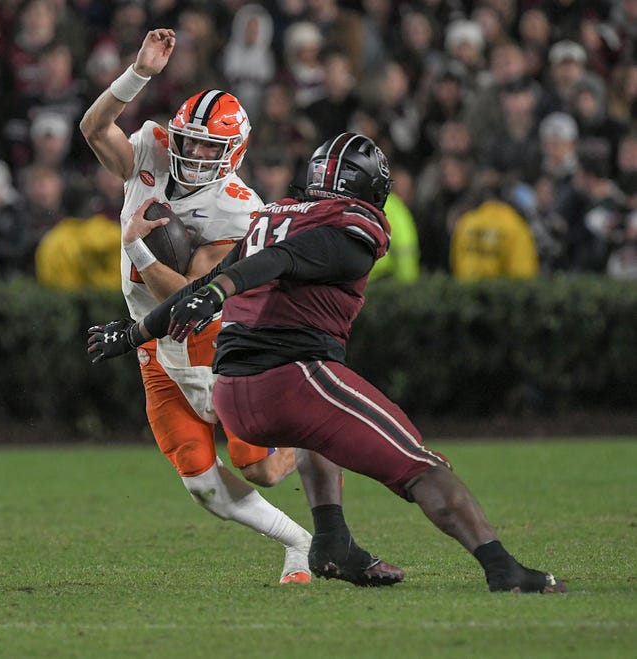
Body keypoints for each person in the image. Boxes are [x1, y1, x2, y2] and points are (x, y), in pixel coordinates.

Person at [89, 132, 566, 594]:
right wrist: (218, 292)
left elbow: (213, 277)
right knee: (420, 465)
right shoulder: (349, 224)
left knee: (314, 431)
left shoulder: (273, 212)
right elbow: (279, 261)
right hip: (292, 376)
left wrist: (134, 332)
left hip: (233, 389)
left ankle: (332, 541)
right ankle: (502, 567)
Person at [80, 29, 400, 587]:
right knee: (201, 483)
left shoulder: (239, 211)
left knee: (261, 468)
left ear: (233, 153)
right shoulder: (154, 146)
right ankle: (298, 542)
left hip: (205, 336)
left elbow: (186, 302)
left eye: (210, 146)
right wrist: (140, 73)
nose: (195, 152)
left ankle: (308, 432)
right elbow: (92, 129)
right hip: (152, 343)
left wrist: (134, 244)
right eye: (190, 139)